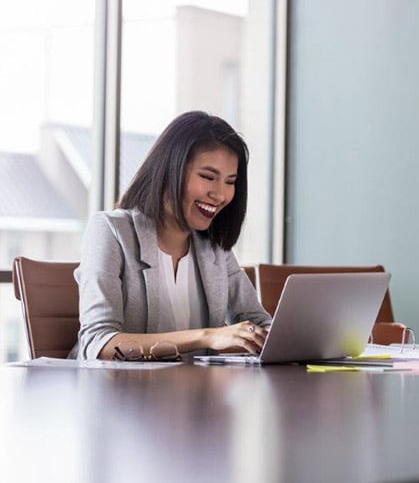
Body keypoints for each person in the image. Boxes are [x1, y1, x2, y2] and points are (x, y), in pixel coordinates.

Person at [70, 111, 271, 360]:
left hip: (198, 394)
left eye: (230, 182)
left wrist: (280, 335)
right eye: (208, 177)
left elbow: (259, 323)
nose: (220, 195)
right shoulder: (110, 231)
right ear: (169, 171)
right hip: (123, 395)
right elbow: (98, 344)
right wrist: (207, 336)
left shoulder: (214, 248)